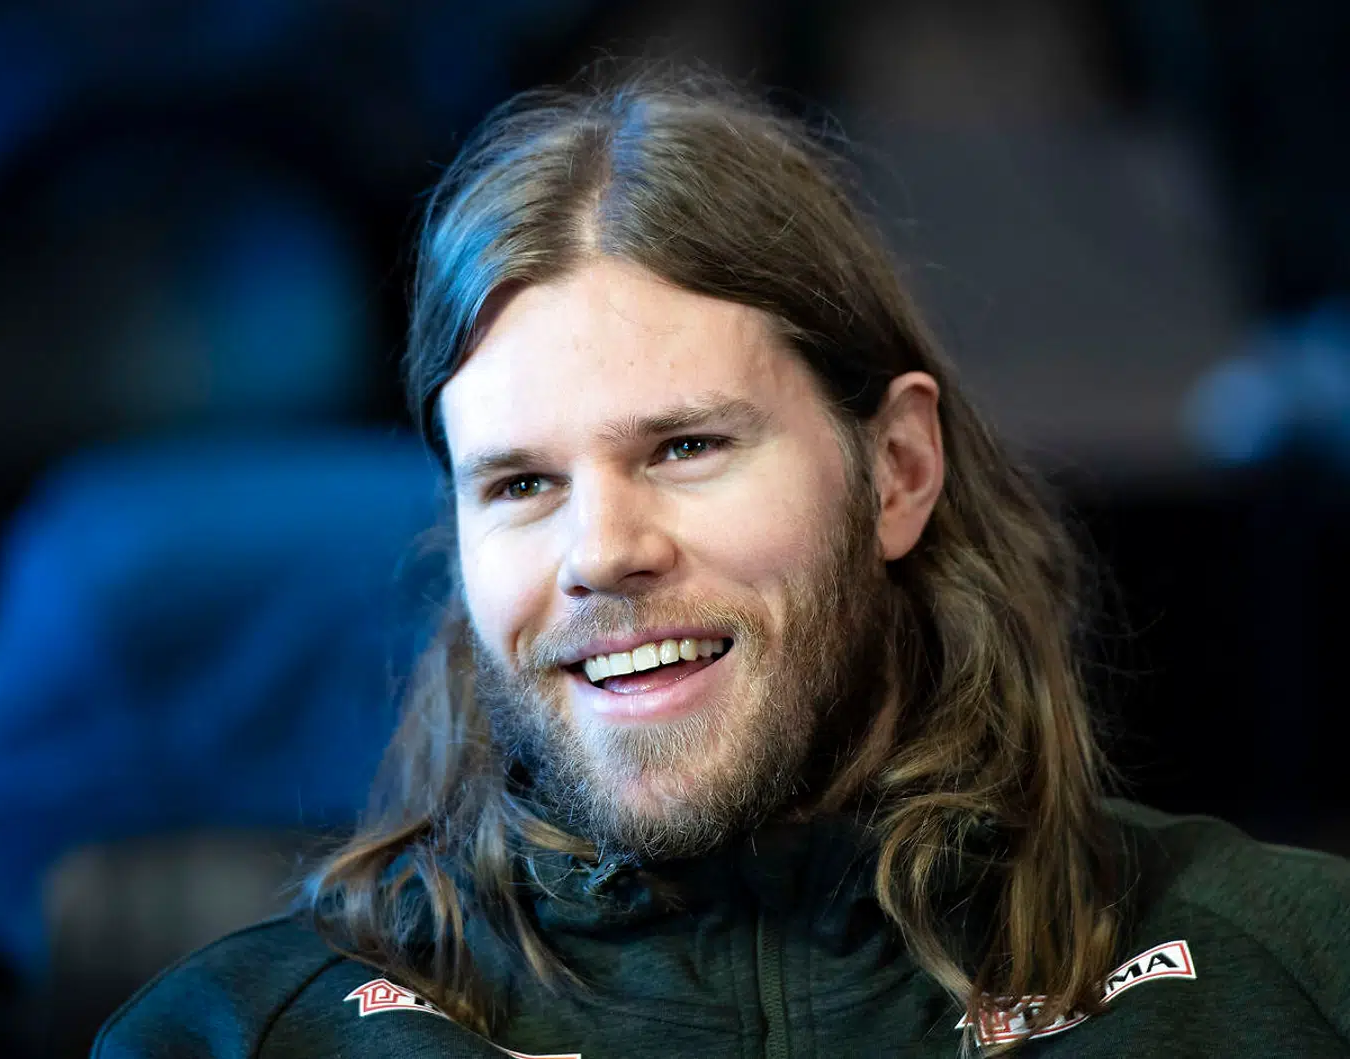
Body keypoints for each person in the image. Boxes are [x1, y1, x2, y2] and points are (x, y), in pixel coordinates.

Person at [94, 68, 1350, 1058]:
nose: (603, 552)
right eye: (522, 485)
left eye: (687, 447)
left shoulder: (1295, 974)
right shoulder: (234, 1037)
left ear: (899, 470)